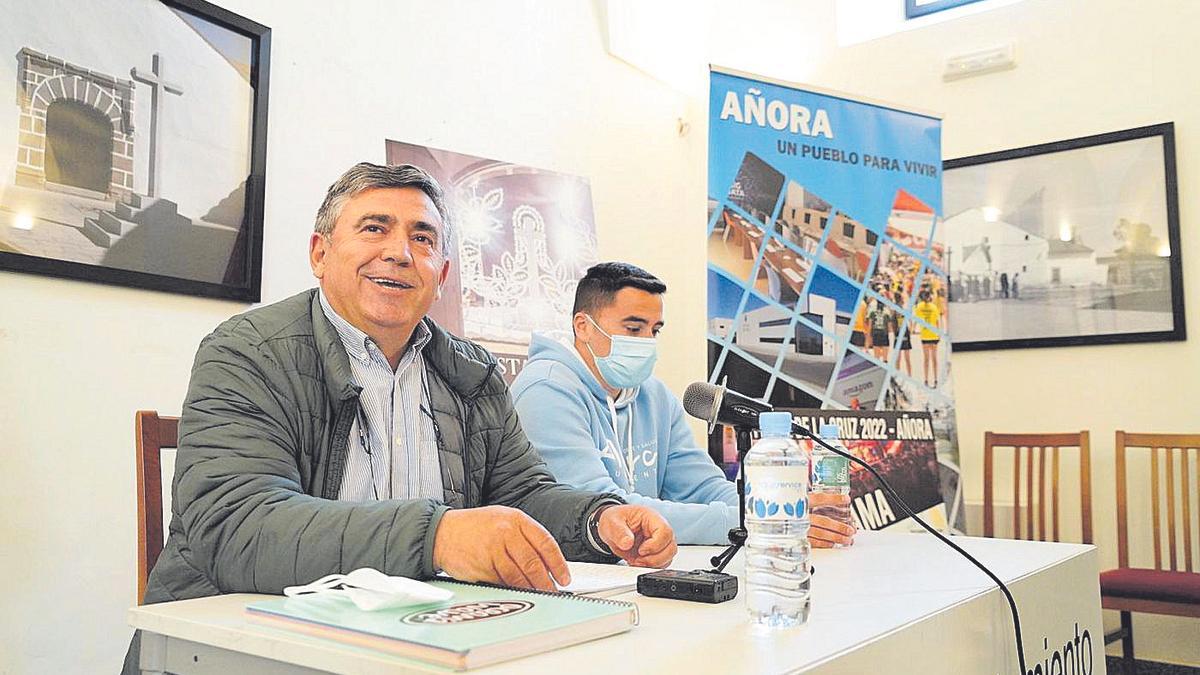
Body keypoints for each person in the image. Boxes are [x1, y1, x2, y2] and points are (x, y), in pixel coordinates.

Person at [123, 165, 675, 672]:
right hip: (239, 645)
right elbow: (236, 525)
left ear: (442, 273)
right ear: (319, 254)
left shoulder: (473, 373)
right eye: (373, 228)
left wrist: (598, 521)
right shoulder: (246, 351)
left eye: (422, 238)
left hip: (416, 643)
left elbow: (521, 494)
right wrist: (436, 537)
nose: (399, 252)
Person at [511, 262, 856, 547]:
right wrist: (753, 522)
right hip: (576, 583)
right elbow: (603, 509)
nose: (647, 342)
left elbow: (702, 487)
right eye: (633, 329)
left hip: (639, 571)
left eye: (654, 330)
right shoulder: (546, 391)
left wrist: (780, 512)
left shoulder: (654, 395)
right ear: (583, 327)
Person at [913, 289, 943, 388]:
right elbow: (937, 321)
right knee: (934, 359)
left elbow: (916, 319)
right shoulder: (934, 307)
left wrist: (913, 330)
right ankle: (935, 379)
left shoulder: (919, 307)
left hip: (925, 335)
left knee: (926, 359)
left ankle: (926, 380)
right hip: (933, 334)